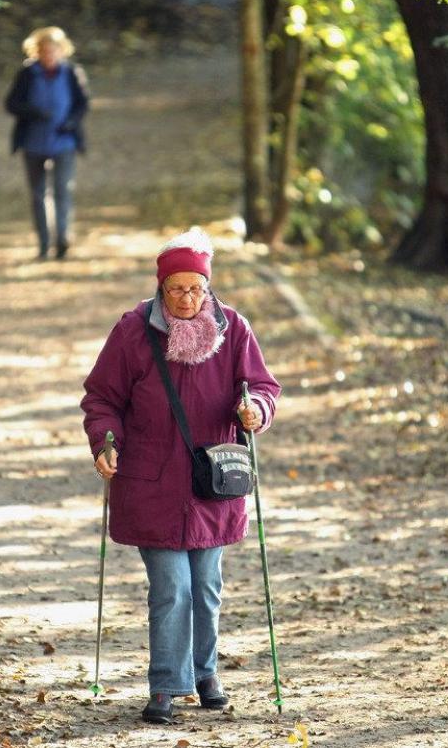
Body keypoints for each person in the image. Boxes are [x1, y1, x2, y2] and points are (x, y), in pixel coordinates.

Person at [81, 227, 280, 725]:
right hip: (152, 482)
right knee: (173, 588)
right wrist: (106, 442)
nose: (188, 298)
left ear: (208, 287)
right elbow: (102, 399)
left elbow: (262, 386)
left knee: (207, 585)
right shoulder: (132, 331)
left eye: (197, 288)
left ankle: (206, 673)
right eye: (177, 289)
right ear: (160, 288)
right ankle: (167, 685)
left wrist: (255, 408)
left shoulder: (233, 328)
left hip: (212, 481)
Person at [5, 26, 89, 260]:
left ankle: (62, 237)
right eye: (44, 51)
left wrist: (71, 122)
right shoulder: (27, 74)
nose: (48, 55)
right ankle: (44, 242)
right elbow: (11, 104)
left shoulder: (71, 73)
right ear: (37, 51)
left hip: (64, 141)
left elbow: (82, 104)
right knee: (38, 193)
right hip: (33, 142)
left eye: (53, 51)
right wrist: (32, 112)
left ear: (62, 51)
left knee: (63, 190)